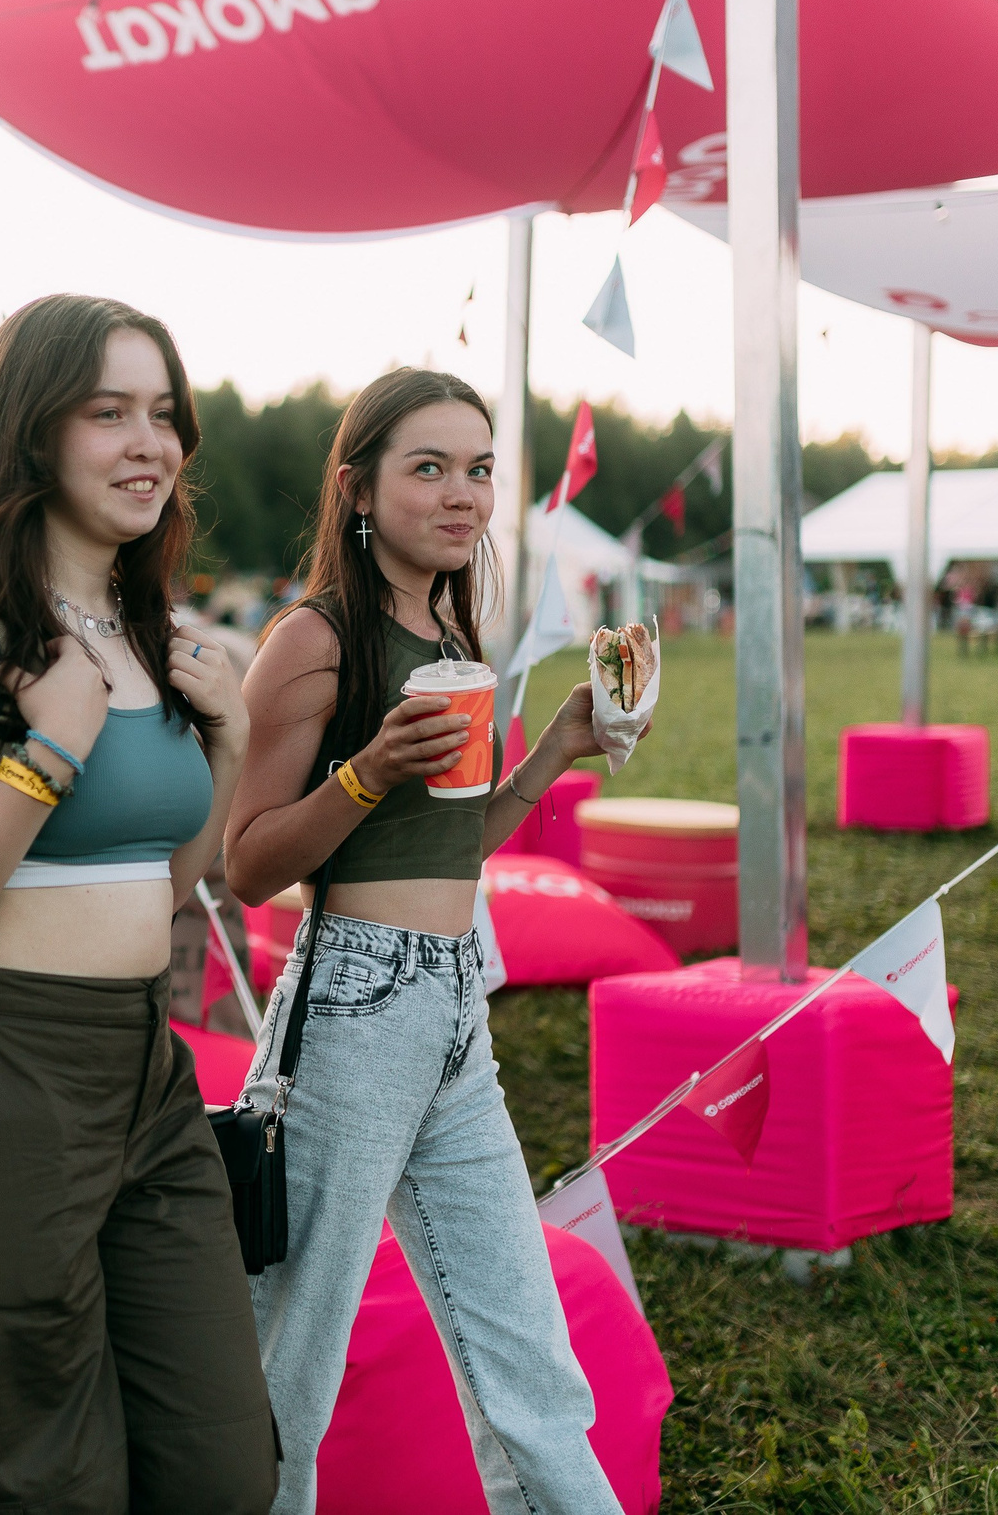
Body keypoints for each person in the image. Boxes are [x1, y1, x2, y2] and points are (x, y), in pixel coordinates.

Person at [0, 293, 277, 1514]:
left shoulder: (148, 629)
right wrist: (44, 759)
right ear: (35, 434)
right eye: (109, 413)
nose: (150, 442)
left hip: (143, 1061)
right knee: (34, 1473)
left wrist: (232, 741)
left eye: (164, 415)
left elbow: (168, 879)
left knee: (219, 1457)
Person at [224, 368, 628, 1515]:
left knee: (527, 1354)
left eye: (481, 467)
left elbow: (448, 847)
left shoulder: (449, 628)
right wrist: (363, 771)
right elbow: (249, 862)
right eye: (429, 466)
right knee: (291, 1357)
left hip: (458, 1005)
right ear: (358, 486)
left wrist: (551, 749)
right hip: (351, 1003)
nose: (463, 494)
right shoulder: (314, 638)